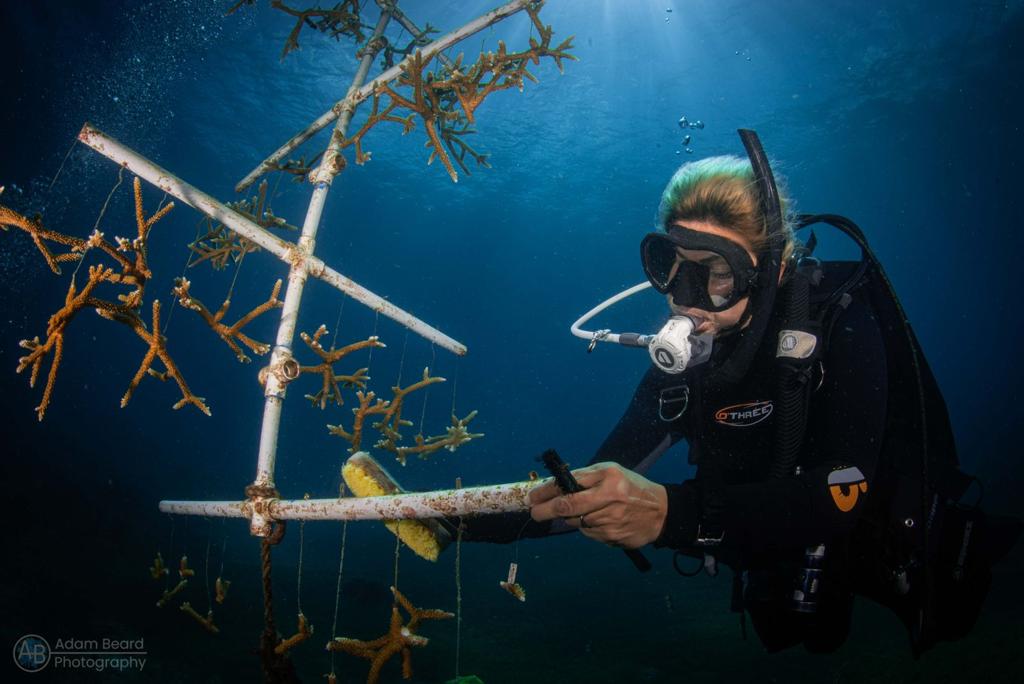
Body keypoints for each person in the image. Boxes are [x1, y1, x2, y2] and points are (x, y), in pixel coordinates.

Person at [448, 130, 1020, 656]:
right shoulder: (682, 371)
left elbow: (843, 494)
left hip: (890, 545)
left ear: (771, 270)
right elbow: (592, 486)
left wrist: (670, 515)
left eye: (717, 272)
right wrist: (453, 522)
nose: (686, 298)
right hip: (776, 553)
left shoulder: (840, 320)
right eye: (673, 267)